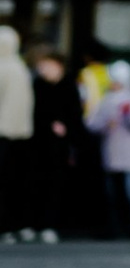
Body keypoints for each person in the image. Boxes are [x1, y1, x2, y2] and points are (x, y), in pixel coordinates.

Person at [86, 59, 130, 234]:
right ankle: (112, 226)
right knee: (110, 193)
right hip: (111, 152)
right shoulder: (106, 101)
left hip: (129, 154)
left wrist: (129, 116)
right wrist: (106, 124)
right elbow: (91, 124)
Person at [26, 46, 81, 238]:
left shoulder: (68, 85)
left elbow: (75, 115)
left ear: (58, 66)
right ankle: (34, 223)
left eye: (47, 65)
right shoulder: (38, 85)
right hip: (38, 142)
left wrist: (66, 128)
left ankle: (50, 224)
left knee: (54, 184)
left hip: (58, 145)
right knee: (34, 183)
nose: (43, 70)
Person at [0, 19, 33, 239]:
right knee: (15, 182)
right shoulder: (21, 68)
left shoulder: (3, 67)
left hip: (2, 133)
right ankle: (14, 226)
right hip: (21, 134)